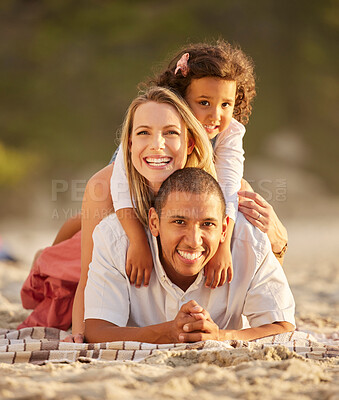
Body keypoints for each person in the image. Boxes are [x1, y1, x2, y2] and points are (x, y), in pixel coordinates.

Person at [85, 168, 295, 343]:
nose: (194, 241)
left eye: (207, 224)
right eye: (179, 222)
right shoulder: (115, 239)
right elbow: (96, 330)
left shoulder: (250, 242)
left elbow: (283, 326)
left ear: (223, 229)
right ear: (154, 222)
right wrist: (167, 333)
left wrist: (220, 336)